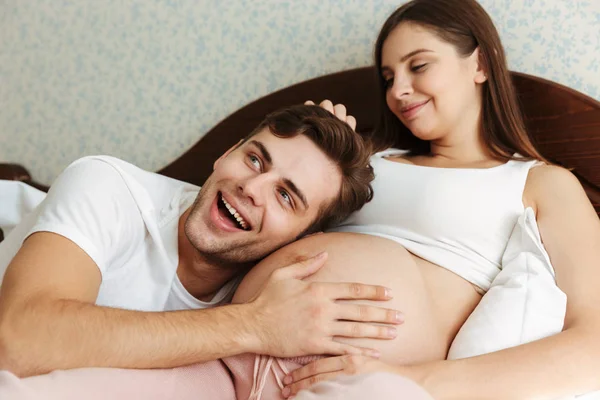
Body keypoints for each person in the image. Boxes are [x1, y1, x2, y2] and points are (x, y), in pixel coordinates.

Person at [277, 0, 600, 398]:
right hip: (245, 333)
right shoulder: (367, 160)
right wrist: (305, 158)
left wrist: (407, 380)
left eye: (418, 66)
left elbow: (595, 343)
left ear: (480, 64)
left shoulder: (541, 183)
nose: (397, 91)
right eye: (388, 77)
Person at [0, 105, 404, 378]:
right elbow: (18, 342)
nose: (251, 186)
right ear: (227, 152)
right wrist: (253, 326)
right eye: (255, 159)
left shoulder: (270, 293)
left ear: (301, 239)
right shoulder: (107, 186)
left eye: (285, 195)